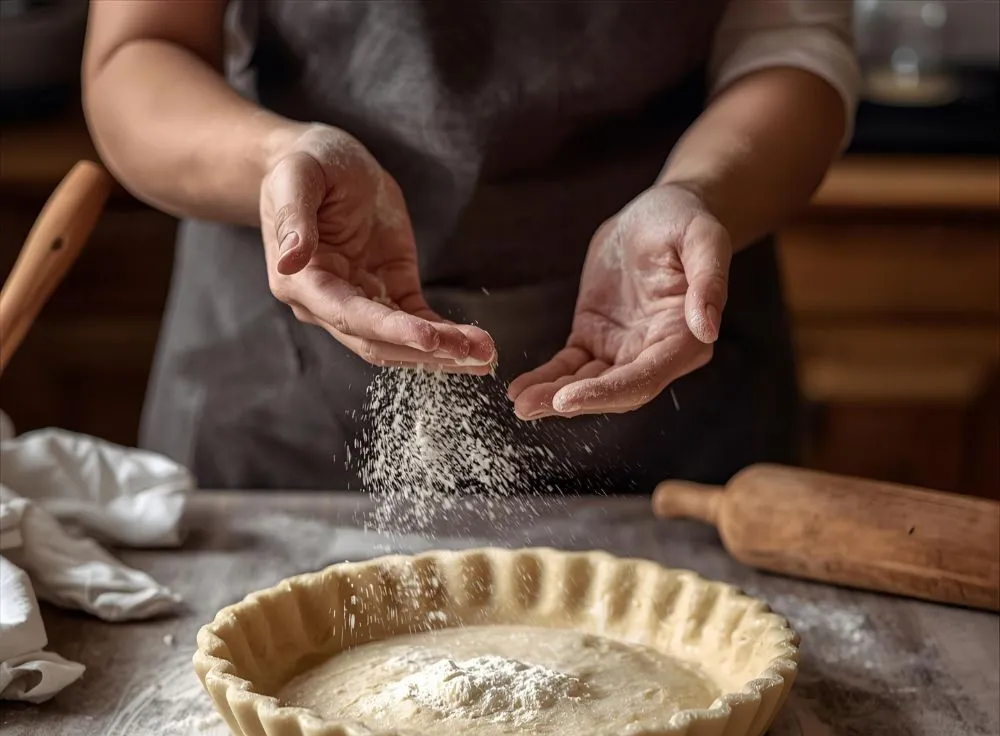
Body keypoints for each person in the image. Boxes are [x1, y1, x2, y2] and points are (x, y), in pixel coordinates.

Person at [82, 0, 858, 494]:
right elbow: (139, 50)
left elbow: (790, 41)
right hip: (282, 384)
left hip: (664, 349)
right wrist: (276, 160)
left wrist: (699, 192)